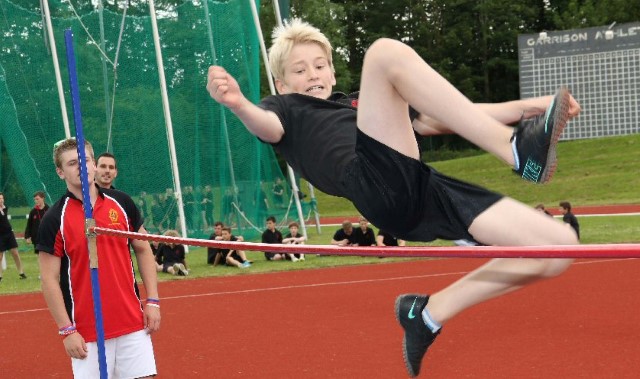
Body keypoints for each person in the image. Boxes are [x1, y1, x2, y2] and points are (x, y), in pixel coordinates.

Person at [207, 19, 582, 377]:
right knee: (385, 53)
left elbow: (447, 116)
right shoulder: (285, 109)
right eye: (299, 70)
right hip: (371, 184)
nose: (313, 75)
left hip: (422, 187)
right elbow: (266, 126)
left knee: (558, 247)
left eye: (319, 66)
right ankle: (514, 150)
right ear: (282, 83)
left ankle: (427, 313)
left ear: (333, 73)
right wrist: (239, 104)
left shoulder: (361, 104)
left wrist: (532, 107)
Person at [37, 138, 160, 378]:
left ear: (94, 164)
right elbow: (48, 279)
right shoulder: (54, 219)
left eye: (85, 161)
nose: (81, 167)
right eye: (72, 163)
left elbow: (143, 249)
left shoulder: (122, 203)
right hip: (86, 333)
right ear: (60, 172)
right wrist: (66, 330)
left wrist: (153, 301)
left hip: (132, 324)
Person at [0, 192, 27, 281]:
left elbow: (3, 214)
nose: (1, 200)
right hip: (0, 235)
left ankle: (21, 272)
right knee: (0, 256)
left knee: (15, 253)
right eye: (0, 198)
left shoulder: (4, 208)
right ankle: (0, 276)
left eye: (2, 198)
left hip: (9, 233)